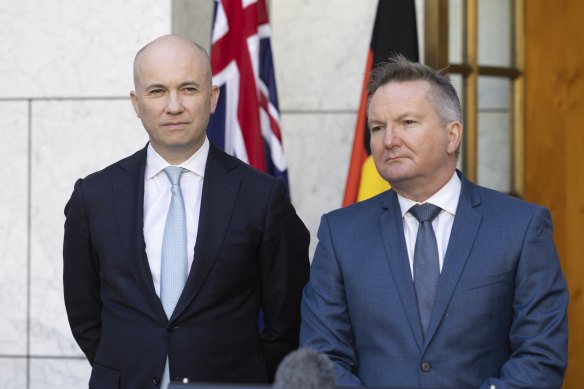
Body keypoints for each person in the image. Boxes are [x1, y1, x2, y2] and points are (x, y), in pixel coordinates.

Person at [300, 55, 568, 389]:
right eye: (377, 128)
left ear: (452, 135)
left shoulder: (522, 227)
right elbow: (322, 356)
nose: (389, 140)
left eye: (407, 122)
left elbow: (541, 355)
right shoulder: (341, 233)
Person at [63, 34, 310, 389]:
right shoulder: (94, 196)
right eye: (157, 91)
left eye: (189, 89)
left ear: (213, 98)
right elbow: (84, 313)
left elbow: (287, 319)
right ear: (136, 102)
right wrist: (123, 367)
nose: (174, 105)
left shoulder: (263, 196)